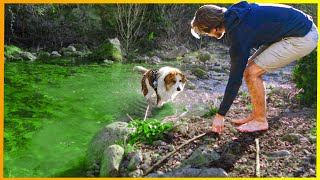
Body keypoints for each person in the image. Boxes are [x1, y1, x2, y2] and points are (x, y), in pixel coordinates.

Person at [190, 1, 318, 133]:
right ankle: (256, 115)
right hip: (295, 28)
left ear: (214, 29)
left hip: (303, 37)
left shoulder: (239, 34)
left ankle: (260, 120)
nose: (209, 35)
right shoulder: (237, 13)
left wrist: (220, 114)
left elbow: (235, 79)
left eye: (207, 33)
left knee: (251, 73)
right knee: (249, 69)